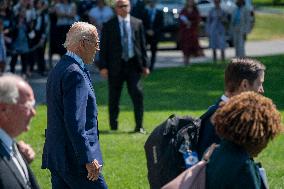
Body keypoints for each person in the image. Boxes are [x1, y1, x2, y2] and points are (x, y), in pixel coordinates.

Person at [42, 22, 108, 189]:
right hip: (74, 160)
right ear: (83, 43)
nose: (98, 48)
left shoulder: (60, 67)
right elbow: (74, 122)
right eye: (96, 43)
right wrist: (87, 158)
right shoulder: (74, 73)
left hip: (59, 156)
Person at [206, 91, 282, 188]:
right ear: (256, 135)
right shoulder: (244, 168)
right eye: (267, 137)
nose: (266, 144)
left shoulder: (214, 152)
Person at [197, 58, 265, 159]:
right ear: (245, 84)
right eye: (259, 84)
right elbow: (211, 168)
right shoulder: (219, 118)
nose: (262, 90)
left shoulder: (228, 114)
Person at [99, 0, 150, 134]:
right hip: (115, 66)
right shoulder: (109, 25)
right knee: (114, 97)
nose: (124, 8)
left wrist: (145, 65)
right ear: (116, 9)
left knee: (137, 94)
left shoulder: (137, 23)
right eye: (120, 6)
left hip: (133, 65)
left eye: (126, 6)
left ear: (130, 7)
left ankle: (139, 126)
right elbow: (103, 47)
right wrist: (103, 67)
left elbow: (142, 45)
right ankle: (113, 126)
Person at [0, 73, 39, 189]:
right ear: (3, 109)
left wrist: (19, 160)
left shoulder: (10, 145)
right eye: (28, 106)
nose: (33, 113)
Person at [179, 0, 202, 66]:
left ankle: (189, 61)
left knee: (192, 46)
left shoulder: (195, 10)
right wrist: (185, 23)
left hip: (193, 32)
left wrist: (191, 23)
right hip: (185, 32)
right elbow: (180, 19)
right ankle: (185, 62)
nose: (190, 2)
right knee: (185, 47)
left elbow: (198, 20)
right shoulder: (183, 10)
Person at [143, 0, 163, 71]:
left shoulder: (159, 13)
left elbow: (161, 25)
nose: (152, 3)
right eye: (151, 2)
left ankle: (151, 66)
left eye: (154, 2)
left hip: (155, 35)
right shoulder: (145, 12)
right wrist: (147, 31)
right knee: (144, 50)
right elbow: (142, 24)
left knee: (153, 51)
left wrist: (154, 31)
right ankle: (145, 65)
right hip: (146, 35)